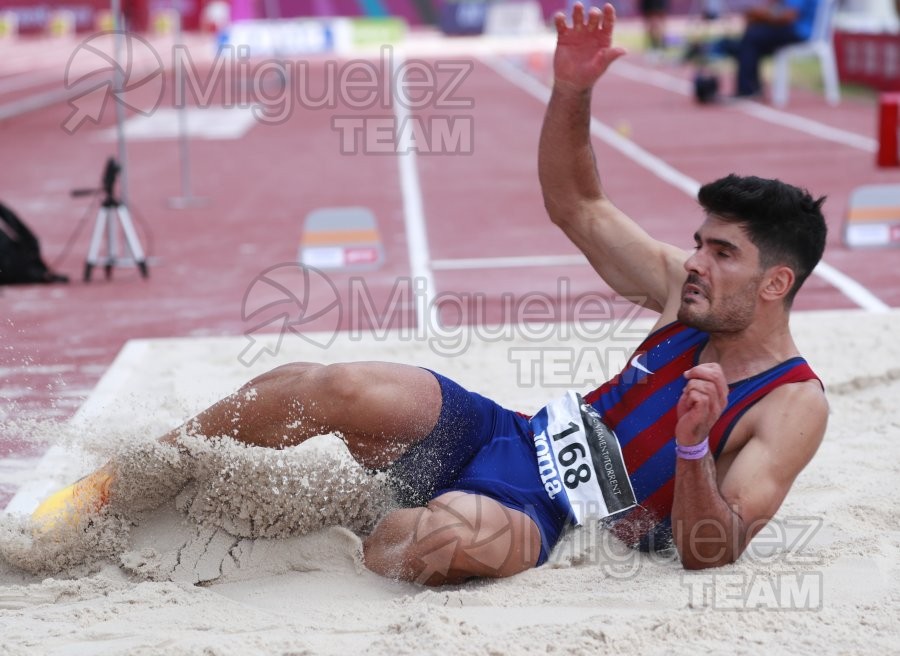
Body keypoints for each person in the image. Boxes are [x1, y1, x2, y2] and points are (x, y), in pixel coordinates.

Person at [31, 3, 829, 584]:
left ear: (774, 284)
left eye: (720, 252)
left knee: (442, 544)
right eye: (697, 241)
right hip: (508, 435)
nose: (693, 261)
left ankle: (360, 514)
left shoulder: (791, 405)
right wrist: (572, 90)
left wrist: (693, 446)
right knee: (332, 384)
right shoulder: (679, 296)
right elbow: (577, 206)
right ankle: (131, 479)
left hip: (560, 521)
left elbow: (711, 549)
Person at [718, 0, 821, 97]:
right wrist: (759, 14)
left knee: (753, 36)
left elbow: (789, 16)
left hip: (799, 31)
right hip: (792, 28)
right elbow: (772, 5)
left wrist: (762, 16)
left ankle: (748, 89)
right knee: (752, 35)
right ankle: (751, 87)